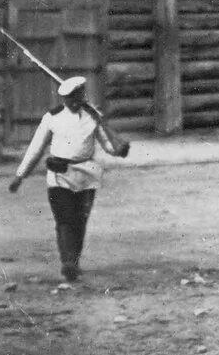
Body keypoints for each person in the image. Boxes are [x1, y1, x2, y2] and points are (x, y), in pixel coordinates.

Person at [7, 76, 131, 283]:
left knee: (80, 220)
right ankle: (68, 262)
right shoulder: (52, 118)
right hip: (60, 174)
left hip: (87, 174)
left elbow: (107, 145)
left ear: (82, 95)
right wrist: (20, 175)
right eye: (67, 99)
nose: (72, 102)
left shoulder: (93, 118)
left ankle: (75, 261)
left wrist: (120, 150)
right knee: (64, 218)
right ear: (62, 99)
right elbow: (36, 148)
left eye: (76, 97)